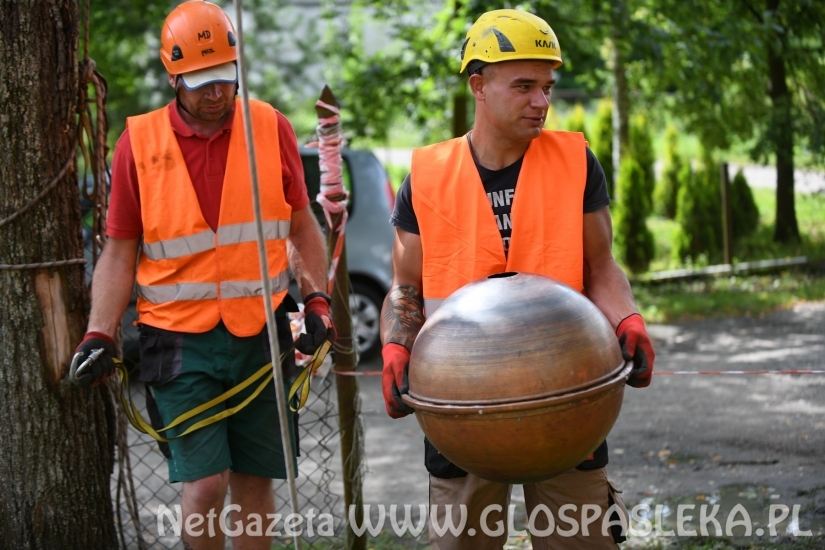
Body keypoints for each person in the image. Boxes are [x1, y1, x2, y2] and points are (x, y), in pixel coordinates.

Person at [381, 9, 656, 550]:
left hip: (566, 402)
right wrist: (396, 342)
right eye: (524, 86)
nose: (541, 101)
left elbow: (601, 266)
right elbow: (406, 285)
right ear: (478, 86)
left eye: (547, 87)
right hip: (460, 409)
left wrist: (627, 316)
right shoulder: (428, 178)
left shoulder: (577, 162)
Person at [70, 1, 334, 548]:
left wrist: (317, 301)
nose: (216, 92)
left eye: (225, 77)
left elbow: (302, 226)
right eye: (200, 82)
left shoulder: (269, 126)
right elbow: (119, 254)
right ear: (173, 76)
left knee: (256, 481)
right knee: (206, 484)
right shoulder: (137, 145)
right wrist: (100, 331)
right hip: (177, 340)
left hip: (261, 331)